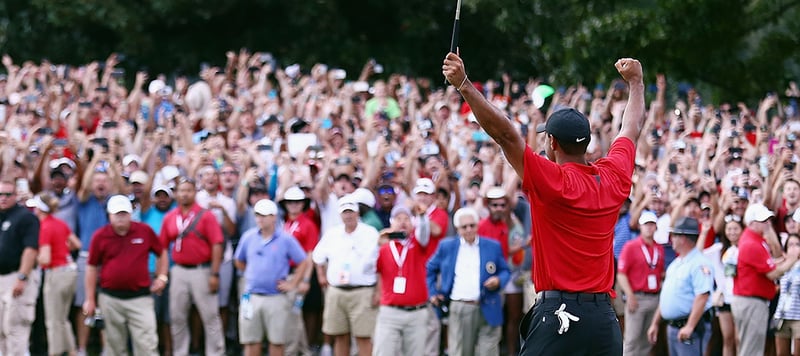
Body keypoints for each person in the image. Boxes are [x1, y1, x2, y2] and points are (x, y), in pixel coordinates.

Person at [443, 52, 645, 354]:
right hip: (604, 318)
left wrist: (464, 85)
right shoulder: (613, 176)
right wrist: (637, 83)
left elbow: (505, 135)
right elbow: (631, 128)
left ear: (552, 143)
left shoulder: (552, 180)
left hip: (560, 315)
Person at [82, 195, 168, 356]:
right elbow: (92, 267)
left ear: (130, 214)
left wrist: (161, 276)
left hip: (140, 298)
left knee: (147, 344)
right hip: (110, 298)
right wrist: (90, 299)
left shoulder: (144, 231)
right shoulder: (100, 236)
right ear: (109, 215)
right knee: (114, 346)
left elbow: (161, 252)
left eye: (124, 213)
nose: (121, 217)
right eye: (117, 214)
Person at [426, 207, 510, 356]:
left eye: (472, 225)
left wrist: (498, 280)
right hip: (460, 306)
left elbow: (505, 270)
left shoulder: (492, 246)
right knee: (461, 352)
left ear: (478, 225)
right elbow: (429, 269)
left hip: (489, 304)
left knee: (489, 351)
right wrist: (433, 293)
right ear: (457, 229)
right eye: (464, 227)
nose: (469, 229)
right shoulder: (447, 246)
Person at [234, 199, 311, 356]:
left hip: (276, 297)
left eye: (264, 215)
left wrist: (293, 284)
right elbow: (238, 260)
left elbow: (303, 261)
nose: (260, 219)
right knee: (251, 341)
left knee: (277, 341)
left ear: (274, 217)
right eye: (257, 215)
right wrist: (253, 272)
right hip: (252, 295)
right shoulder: (248, 237)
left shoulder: (285, 239)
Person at [159, 178, 226, 356]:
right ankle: (180, 352)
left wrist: (214, 273)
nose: (184, 194)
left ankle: (216, 352)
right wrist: (163, 274)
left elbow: (217, 244)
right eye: (181, 191)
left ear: (195, 192)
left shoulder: (206, 215)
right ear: (176, 193)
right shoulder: (170, 218)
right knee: (177, 316)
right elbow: (163, 247)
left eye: (188, 190)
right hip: (179, 270)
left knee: (210, 315)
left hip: (201, 270)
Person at [311, 195, 380, 356]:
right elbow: (317, 257)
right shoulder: (332, 233)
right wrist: (321, 276)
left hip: (363, 290)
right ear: (340, 215)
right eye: (345, 212)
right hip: (337, 291)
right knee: (340, 335)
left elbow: (380, 264)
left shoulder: (370, 233)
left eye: (351, 212)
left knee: (364, 336)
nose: (348, 216)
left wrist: (379, 290)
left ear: (357, 213)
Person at [733, 203, 799, 356]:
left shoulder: (755, 240)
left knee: (751, 347)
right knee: (751, 350)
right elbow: (772, 274)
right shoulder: (752, 243)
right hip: (752, 302)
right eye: (763, 221)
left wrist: (783, 261)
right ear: (752, 223)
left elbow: (766, 266)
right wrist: (791, 260)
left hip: (752, 301)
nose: (767, 223)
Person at [646, 217, 714, 355]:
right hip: (673, 327)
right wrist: (655, 323)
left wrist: (690, 326)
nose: (671, 239)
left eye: (674, 235)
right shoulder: (676, 263)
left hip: (690, 328)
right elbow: (667, 295)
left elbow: (703, 296)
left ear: (683, 238)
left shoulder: (699, 263)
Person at [28, 193, 81, 356]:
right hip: (70, 271)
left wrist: (30, 256)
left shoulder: (44, 226)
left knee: (53, 320)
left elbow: (45, 258)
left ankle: (54, 353)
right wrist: (62, 251)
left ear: (40, 209)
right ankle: (72, 352)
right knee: (63, 318)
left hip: (56, 274)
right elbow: (76, 244)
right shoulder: (60, 223)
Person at [373, 205, 430, 356]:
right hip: (390, 312)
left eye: (406, 218)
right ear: (391, 223)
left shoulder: (418, 244)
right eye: (398, 219)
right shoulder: (384, 247)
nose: (402, 222)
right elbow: (367, 267)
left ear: (413, 223)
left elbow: (424, 233)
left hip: (416, 313)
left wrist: (423, 217)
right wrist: (376, 244)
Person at [0, 180, 41, 355]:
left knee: (15, 328)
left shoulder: (26, 217)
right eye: (0, 194)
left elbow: (30, 249)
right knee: (1, 329)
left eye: (7, 194)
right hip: (1, 278)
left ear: (15, 196)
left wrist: (22, 277)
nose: (3, 198)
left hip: (17, 276)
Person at [617, 211, 665, 355]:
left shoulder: (659, 248)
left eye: (652, 224)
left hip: (654, 297)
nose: (649, 228)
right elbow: (621, 274)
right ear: (640, 226)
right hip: (637, 298)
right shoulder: (631, 246)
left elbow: (659, 272)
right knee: (632, 340)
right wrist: (630, 295)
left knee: (647, 340)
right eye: (646, 224)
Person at [774, 233, 800, 356]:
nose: (794, 248)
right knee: (781, 353)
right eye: (790, 245)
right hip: (782, 315)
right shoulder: (782, 266)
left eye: (797, 244)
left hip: (798, 316)